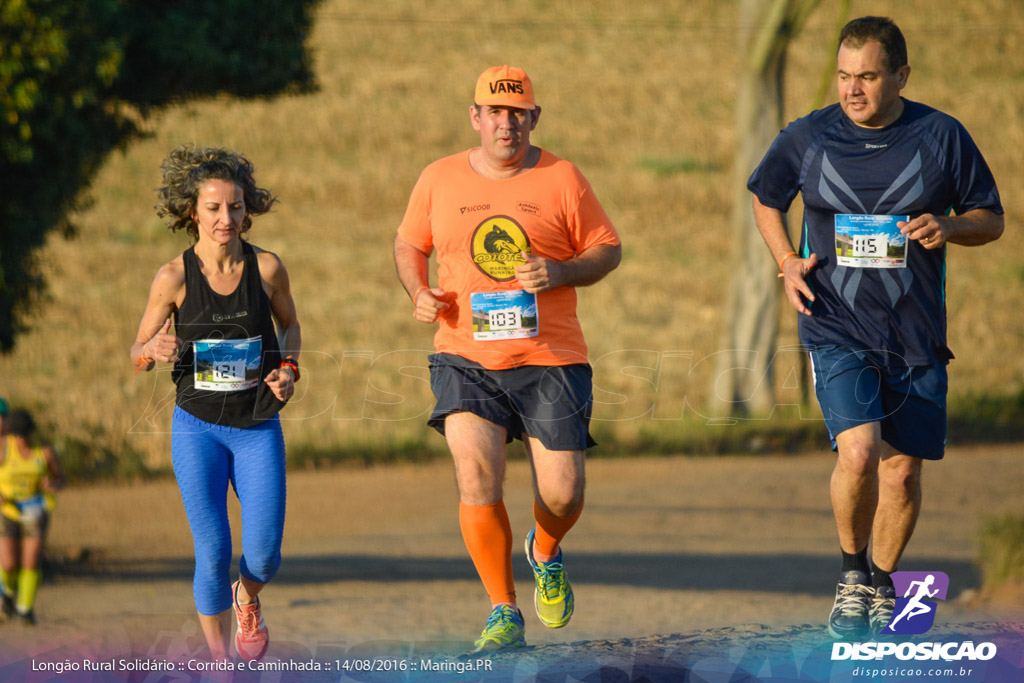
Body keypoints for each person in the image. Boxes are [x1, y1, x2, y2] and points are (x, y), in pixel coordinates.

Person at [747, 16, 1003, 640]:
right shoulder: (809, 135)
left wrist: (951, 227)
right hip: (834, 321)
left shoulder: (941, 136)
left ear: (900, 76)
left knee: (902, 471)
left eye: (867, 76)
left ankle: (884, 581)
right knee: (859, 453)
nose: (852, 89)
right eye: (843, 75)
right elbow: (765, 197)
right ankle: (851, 575)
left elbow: (990, 218)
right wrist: (786, 262)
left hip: (915, 331)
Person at [393, 65, 621, 651]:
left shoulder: (563, 178)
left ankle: (544, 550)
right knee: (475, 475)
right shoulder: (438, 178)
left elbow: (607, 248)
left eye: (517, 112)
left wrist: (563, 271)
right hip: (465, 356)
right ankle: (503, 610)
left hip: (551, 358)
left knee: (565, 492)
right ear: (475, 117)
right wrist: (418, 291)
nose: (505, 123)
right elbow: (408, 243)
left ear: (533, 118)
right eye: (494, 111)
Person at [131, 145, 301, 661]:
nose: (226, 218)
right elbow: (137, 351)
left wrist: (289, 369)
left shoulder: (267, 268)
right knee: (213, 551)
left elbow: (290, 325)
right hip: (197, 428)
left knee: (266, 553)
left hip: (256, 426)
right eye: (213, 208)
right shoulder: (173, 278)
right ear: (192, 212)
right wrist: (152, 351)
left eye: (235, 207)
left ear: (247, 210)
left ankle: (246, 597)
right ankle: (221, 665)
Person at [0, 409, 65, 626]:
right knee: (8, 563)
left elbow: (60, 478)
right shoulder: (3, 449)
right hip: (8, 511)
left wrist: (52, 484)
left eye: (24, 435)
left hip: (35, 511)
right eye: (17, 435)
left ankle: (25, 610)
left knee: (30, 561)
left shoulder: (44, 452)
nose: (21, 440)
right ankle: (7, 593)